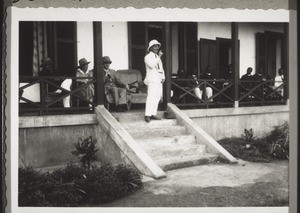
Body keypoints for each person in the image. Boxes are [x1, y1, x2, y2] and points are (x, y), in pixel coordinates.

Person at [144, 39, 165, 123]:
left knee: (157, 96)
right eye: (155, 46)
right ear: (151, 48)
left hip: (158, 79)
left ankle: (153, 113)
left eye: (157, 46)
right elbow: (151, 65)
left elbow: (161, 68)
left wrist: (163, 76)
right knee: (151, 96)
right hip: (152, 79)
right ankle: (147, 114)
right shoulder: (147, 57)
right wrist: (159, 57)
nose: (157, 48)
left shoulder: (157, 57)